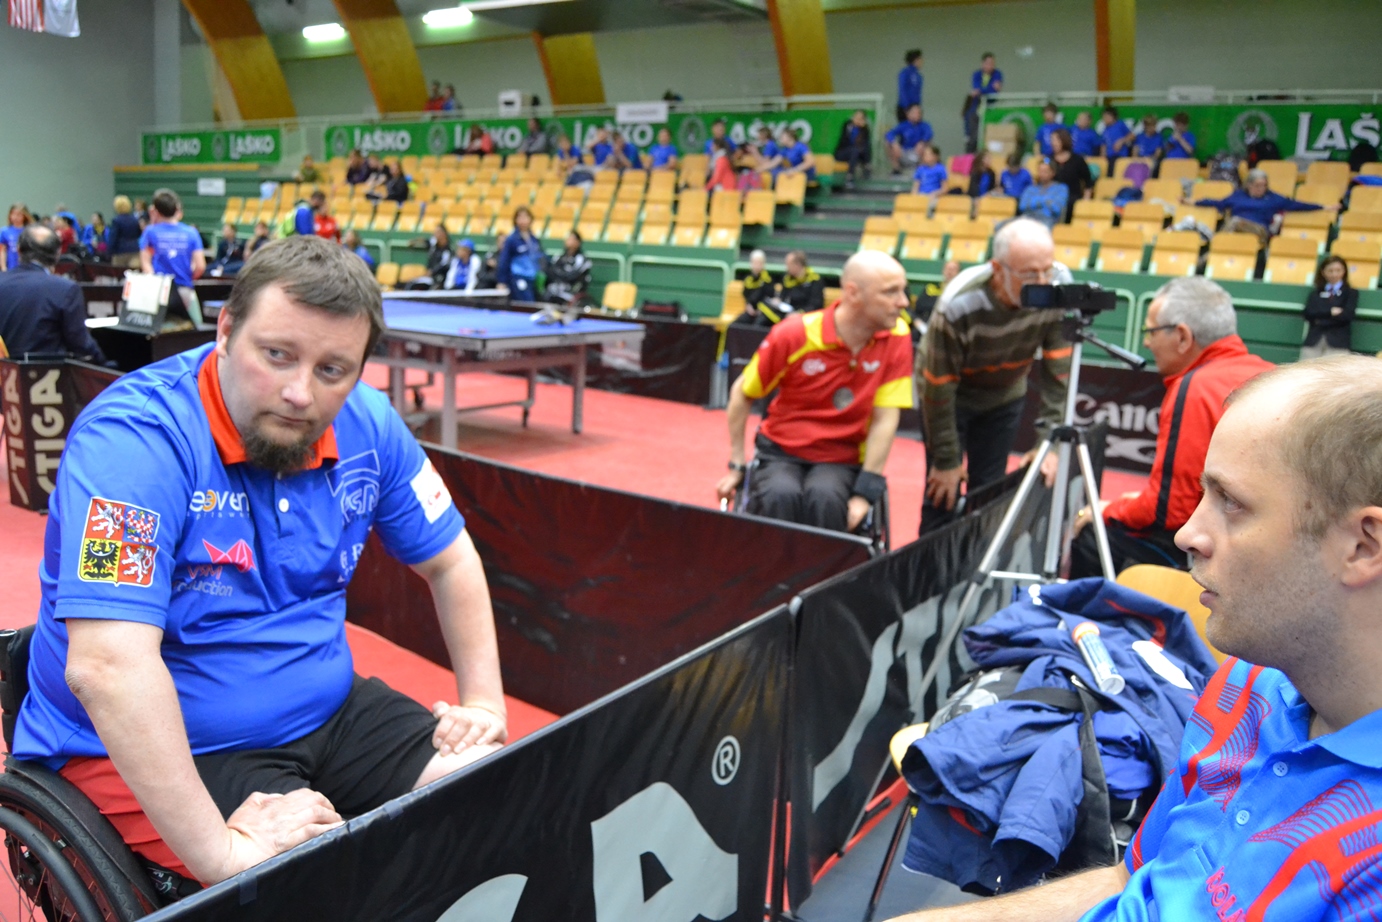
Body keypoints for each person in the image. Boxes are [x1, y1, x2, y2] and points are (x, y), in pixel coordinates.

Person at [11, 235, 507, 888]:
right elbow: (107, 667)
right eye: (277, 355)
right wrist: (224, 855)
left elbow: (452, 561)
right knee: (324, 884)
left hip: (328, 712)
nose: (300, 392)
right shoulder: (134, 444)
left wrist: (485, 706)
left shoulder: (369, 424)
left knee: (491, 791)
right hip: (173, 741)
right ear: (225, 331)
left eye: (333, 370)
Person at [887, 353, 1382, 922]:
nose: (1188, 533)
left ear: (1362, 545)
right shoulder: (1250, 681)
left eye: (1232, 503)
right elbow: (1133, 878)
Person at [1069, 278, 1273, 579]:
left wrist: (1107, 510)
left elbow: (1169, 512)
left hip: (1218, 553)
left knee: (1092, 535)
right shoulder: (1271, 375)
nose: (1146, 343)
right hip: (1263, 544)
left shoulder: (1194, 388)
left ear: (1182, 337)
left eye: (1150, 331)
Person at [717, 250, 913, 533]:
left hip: (843, 458)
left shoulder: (897, 336)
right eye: (891, 292)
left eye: (903, 290)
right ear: (853, 293)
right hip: (782, 451)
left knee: (826, 499)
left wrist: (864, 492)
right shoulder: (794, 334)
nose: (903, 302)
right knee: (779, 496)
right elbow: (742, 393)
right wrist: (736, 463)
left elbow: (885, 418)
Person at [919, 218, 1068, 530]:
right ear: (998, 269)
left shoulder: (1057, 290)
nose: (1043, 282)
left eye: (1048, 269)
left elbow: (1058, 375)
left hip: (1004, 396)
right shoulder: (957, 304)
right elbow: (938, 387)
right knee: (942, 492)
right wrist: (946, 461)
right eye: (1030, 274)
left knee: (987, 492)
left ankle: (978, 558)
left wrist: (1048, 444)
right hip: (951, 397)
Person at [0, 224, 107, 362]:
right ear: (58, 254)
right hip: (47, 373)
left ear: (19, 250)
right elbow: (81, 344)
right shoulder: (65, 289)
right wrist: (107, 364)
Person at [1194, 168, 1336, 240]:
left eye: (1264, 185)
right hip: (1236, 230)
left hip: (1260, 230)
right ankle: (1214, 247)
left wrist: (1323, 207)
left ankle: (1215, 241)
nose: (1261, 188)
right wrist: (1194, 201)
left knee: (1235, 221)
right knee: (1234, 224)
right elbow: (1219, 203)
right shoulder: (1238, 196)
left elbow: (1296, 205)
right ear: (1249, 185)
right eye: (1258, 185)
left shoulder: (1273, 198)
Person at [140, 188, 206, 321]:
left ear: (155, 210)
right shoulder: (191, 233)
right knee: (194, 327)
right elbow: (200, 266)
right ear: (176, 209)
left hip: (160, 291)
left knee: (160, 329)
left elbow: (146, 264)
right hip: (184, 289)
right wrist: (187, 277)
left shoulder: (150, 232)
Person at [1300, 254, 1356, 359]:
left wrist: (1320, 320)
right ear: (1323, 272)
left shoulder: (1350, 293)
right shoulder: (1316, 293)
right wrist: (1330, 312)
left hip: (1338, 343)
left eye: (1338, 270)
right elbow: (1308, 314)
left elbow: (1347, 316)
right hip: (1314, 341)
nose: (1334, 274)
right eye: (1330, 271)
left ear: (1344, 271)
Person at [496, 207, 541, 302]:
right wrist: (502, 281)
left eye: (525, 217)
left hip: (532, 279)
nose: (523, 220)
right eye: (520, 217)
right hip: (518, 278)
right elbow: (504, 261)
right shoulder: (511, 240)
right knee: (526, 304)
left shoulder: (534, 239)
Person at [1050, 128, 1094, 219]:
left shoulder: (1077, 160)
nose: (1053, 143)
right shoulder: (1049, 159)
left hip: (1072, 198)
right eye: (1052, 140)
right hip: (1052, 197)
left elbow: (1088, 183)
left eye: (1056, 140)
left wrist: (1085, 201)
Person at [964, 53, 1003, 153]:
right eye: (988, 63)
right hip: (977, 107)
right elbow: (977, 89)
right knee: (974, 136)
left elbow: (993, 92)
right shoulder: (976, 74)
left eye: (992, 63)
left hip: (991, 107)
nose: (991, 66)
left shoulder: (997, 74)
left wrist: (981, 91)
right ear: (983, 64)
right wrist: (989, 89)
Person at [542, 231, 592, 305]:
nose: (569, 241)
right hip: (555, 289)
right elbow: (551, 272)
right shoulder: (558, 257)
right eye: (568, 239)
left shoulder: (582, 260)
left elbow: (573, 276)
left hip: (573, 293)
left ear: (578, 242)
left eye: (572, 239)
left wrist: (561, 275)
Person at [1018, 158, 1068, 228]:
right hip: (1028, 218)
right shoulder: (1031, 189)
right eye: (1040, 171)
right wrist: (1045, 201)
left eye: (1045, 171)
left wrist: (1034, 202)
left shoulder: (1061, 188)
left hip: (1048, 220)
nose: (1042, 174)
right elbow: (1022, 206)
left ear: (1053, 173)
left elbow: (1057, 209)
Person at [736, 249, 780, 326]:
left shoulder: (767, 280)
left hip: (763, 312)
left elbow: (771, 297)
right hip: (750, 311)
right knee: (737, 324)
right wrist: (748, 306)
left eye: (759, 262)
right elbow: (746, 296)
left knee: (758, 324)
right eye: (754, 262)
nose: (756, 265)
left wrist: (761, 309)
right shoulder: (748, 280)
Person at [886, 105, 934, 175]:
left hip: (917, 152)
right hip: (904, 152)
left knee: (928, 143)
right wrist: (894, 143)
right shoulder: (903, 125)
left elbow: (929, 134)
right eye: (914, 112)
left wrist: (922, 142)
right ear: (908, 114)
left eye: (919, 112)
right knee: (888, 143)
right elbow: (889, 133)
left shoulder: (925, 125)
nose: (917, 115)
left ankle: (921, 169)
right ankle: (896, 169)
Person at [776, 250, 824, 315]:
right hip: (788, 313)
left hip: (806, 316)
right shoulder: (787, 278)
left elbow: (816, 305)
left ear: (797, 265)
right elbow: (783, 296)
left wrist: (799, 313)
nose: (786, 268)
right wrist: (778, 301)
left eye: (788, 265)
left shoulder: (814, 280)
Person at [834, 110, 873, 188]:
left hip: (857, 154)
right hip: (843, 152)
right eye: (856, 117)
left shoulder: (864, 130)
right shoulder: (847, 126)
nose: (857, 119)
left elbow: (866, 146)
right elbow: (843, 142)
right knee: (854, 150)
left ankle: (866, 166)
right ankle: (849, 177)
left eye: (860, 118)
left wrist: (863, 129)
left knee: (859, 150)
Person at [411, 223, 453, 290]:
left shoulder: (447, 251)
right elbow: (426, 241)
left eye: (437, 232)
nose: (435, 235)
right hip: (428, 277)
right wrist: (415, 241)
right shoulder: (434, 245)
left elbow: (443, 265)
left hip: (438, 279)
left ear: (443, 234)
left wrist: (432, 272)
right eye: (435, 232)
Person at [106, 197, 142, 269]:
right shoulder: (135, 220)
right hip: (134, 250)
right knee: (134, 273)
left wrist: (109, 252)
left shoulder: (116, 221)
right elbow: (139, 234)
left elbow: (113, 238)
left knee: (119, 273)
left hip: (120, 252)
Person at [896, 49, 923, 123]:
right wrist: (907, 108)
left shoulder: (919, 76)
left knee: (917, 129)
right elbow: (902, 90)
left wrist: (918, 108)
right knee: (906, 129)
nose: (922, 61)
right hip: (905, 108)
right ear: (916, 60)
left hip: (916, 107)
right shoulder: (904, 73)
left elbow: (918, 94)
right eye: (920, 59)